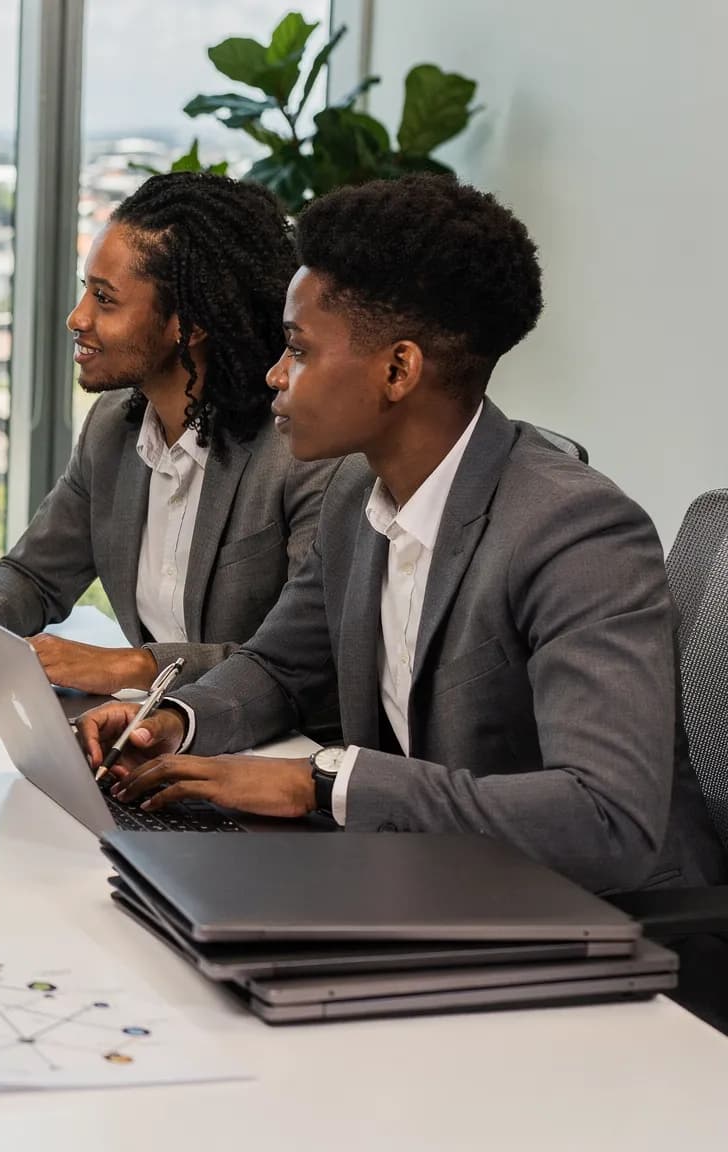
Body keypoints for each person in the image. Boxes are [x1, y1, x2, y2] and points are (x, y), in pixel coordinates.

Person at [82, 174, 726, 895]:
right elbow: (282, 669)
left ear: (398, 370)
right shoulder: (359, 492)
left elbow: (605, 820)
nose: (274, 374)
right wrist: (172, 722)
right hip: (434, 884)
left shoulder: (578, 534)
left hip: (610, 927)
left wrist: (322, 785)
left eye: (297, 350)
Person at [0, 172, 345, 698]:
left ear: (190, 324)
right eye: (85, 290)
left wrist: (131, 667)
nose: (77, 317)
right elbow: (35, 576)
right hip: (142, 737)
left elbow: (301, 661)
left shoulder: (302, 454)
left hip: (266, 752)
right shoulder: (114, 426)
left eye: (105, 300)